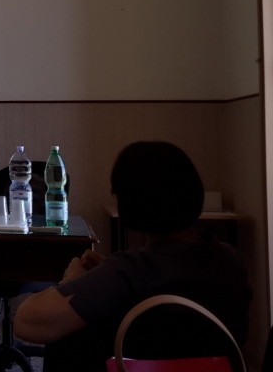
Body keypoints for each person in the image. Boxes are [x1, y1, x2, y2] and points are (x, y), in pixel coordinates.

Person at [14, 141, 251, 372]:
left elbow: (26, 322)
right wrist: (105, 276)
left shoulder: (130, 270)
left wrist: (71, 281)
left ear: (129, 202)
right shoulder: (230, 259)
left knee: (66, 332)